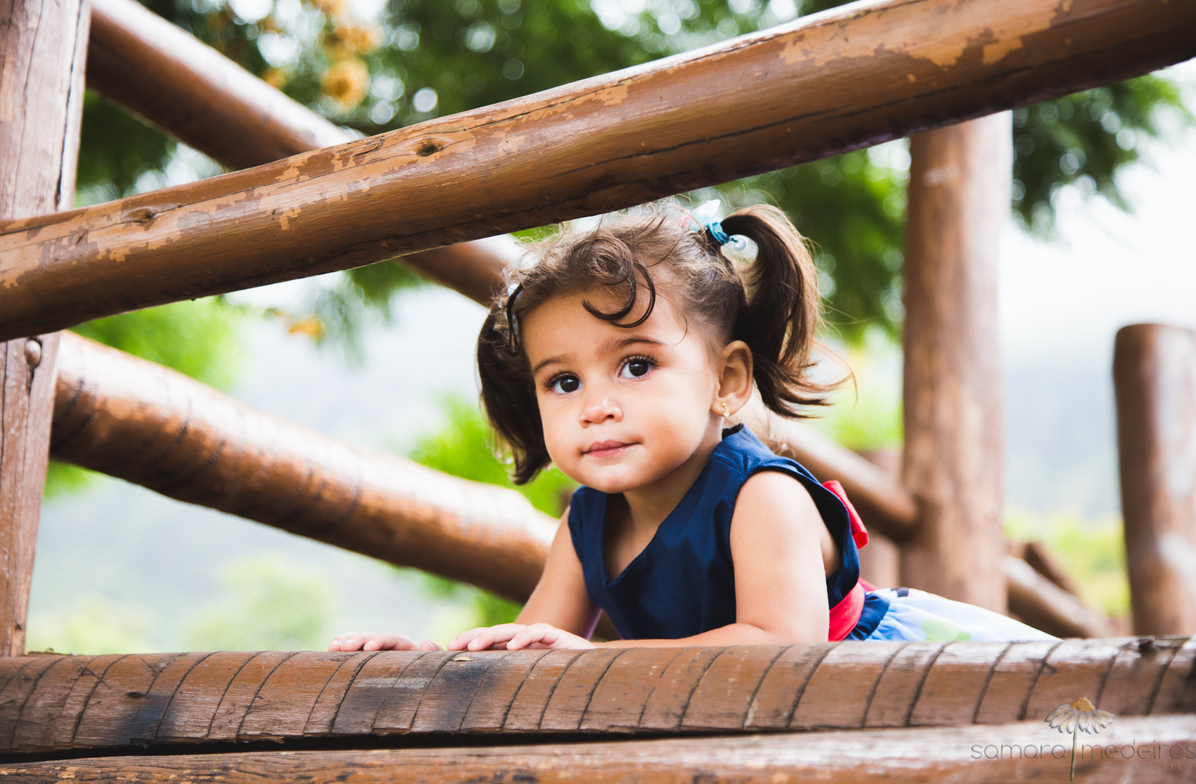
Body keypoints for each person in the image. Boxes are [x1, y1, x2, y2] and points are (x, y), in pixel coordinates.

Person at [328, 202, 1054, 653]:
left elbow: (782, 645)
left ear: (726, 381)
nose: (596, 405)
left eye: (636, 366)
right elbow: (533, 644)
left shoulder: (760, 496)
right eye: (565, 381)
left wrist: (600, 664)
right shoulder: (588, 520)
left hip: (878, 690)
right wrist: (426, 661)